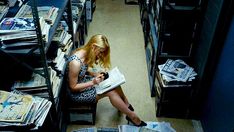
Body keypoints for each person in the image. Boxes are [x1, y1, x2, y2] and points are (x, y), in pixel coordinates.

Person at [66, 34, 146, 127]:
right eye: (100, 52)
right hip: (76, 94)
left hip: (83, 82)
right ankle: (132, 116)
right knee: (111, 92)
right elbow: (73, 87)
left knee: (112, 82)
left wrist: (94, 74)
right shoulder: (75, 63)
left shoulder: (85, 52)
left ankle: (126, 104)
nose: (100, 56)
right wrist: (93, 82)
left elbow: (82, 70)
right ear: (93, 47)